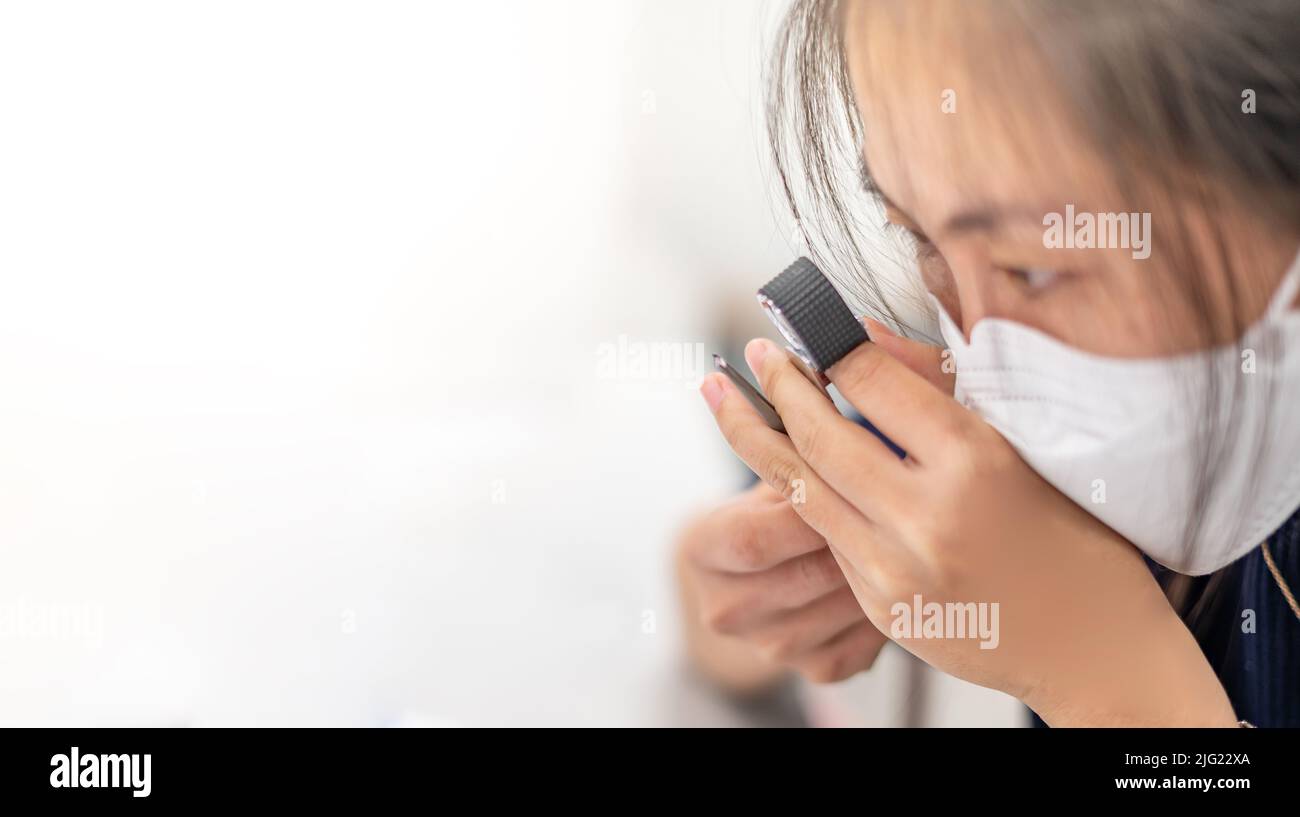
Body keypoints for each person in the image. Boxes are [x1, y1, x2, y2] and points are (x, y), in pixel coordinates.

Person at [676, 0, 1300, 727]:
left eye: (1032, 267)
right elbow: (714, 600)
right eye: (923, 242)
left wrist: (1095, 666)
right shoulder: (988, 381)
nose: (980, 350)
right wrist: (769, 585)